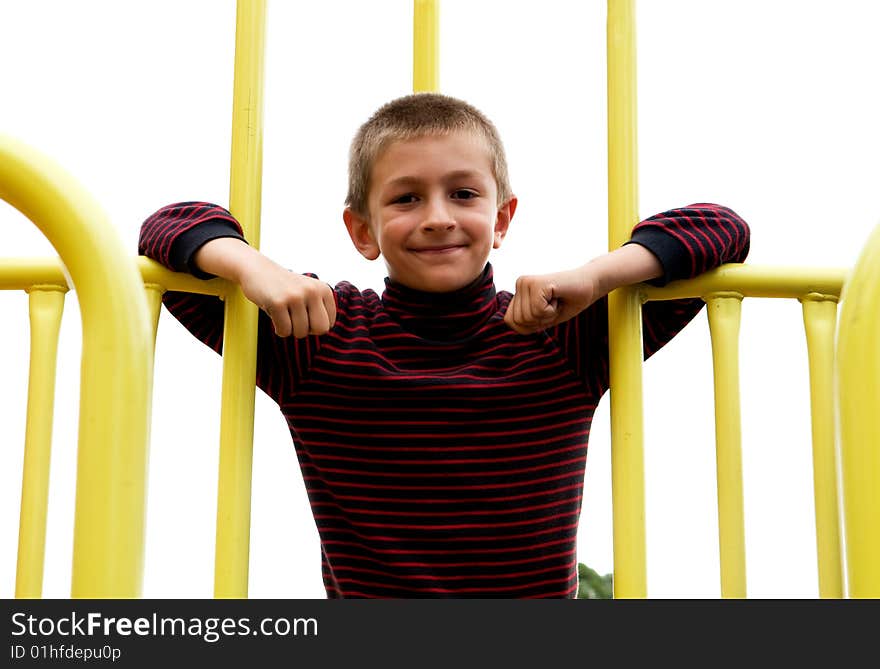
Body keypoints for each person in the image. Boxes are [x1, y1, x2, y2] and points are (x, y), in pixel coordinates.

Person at [139, 92, 750, 598]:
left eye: (463, 194)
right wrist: (253, 268)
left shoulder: (560, 336)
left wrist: (597, 276)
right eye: (406, 198)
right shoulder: (321, 335)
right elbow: (167, 226)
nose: (437, 217)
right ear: (362, 230)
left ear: (502, 219)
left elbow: (720, 227)